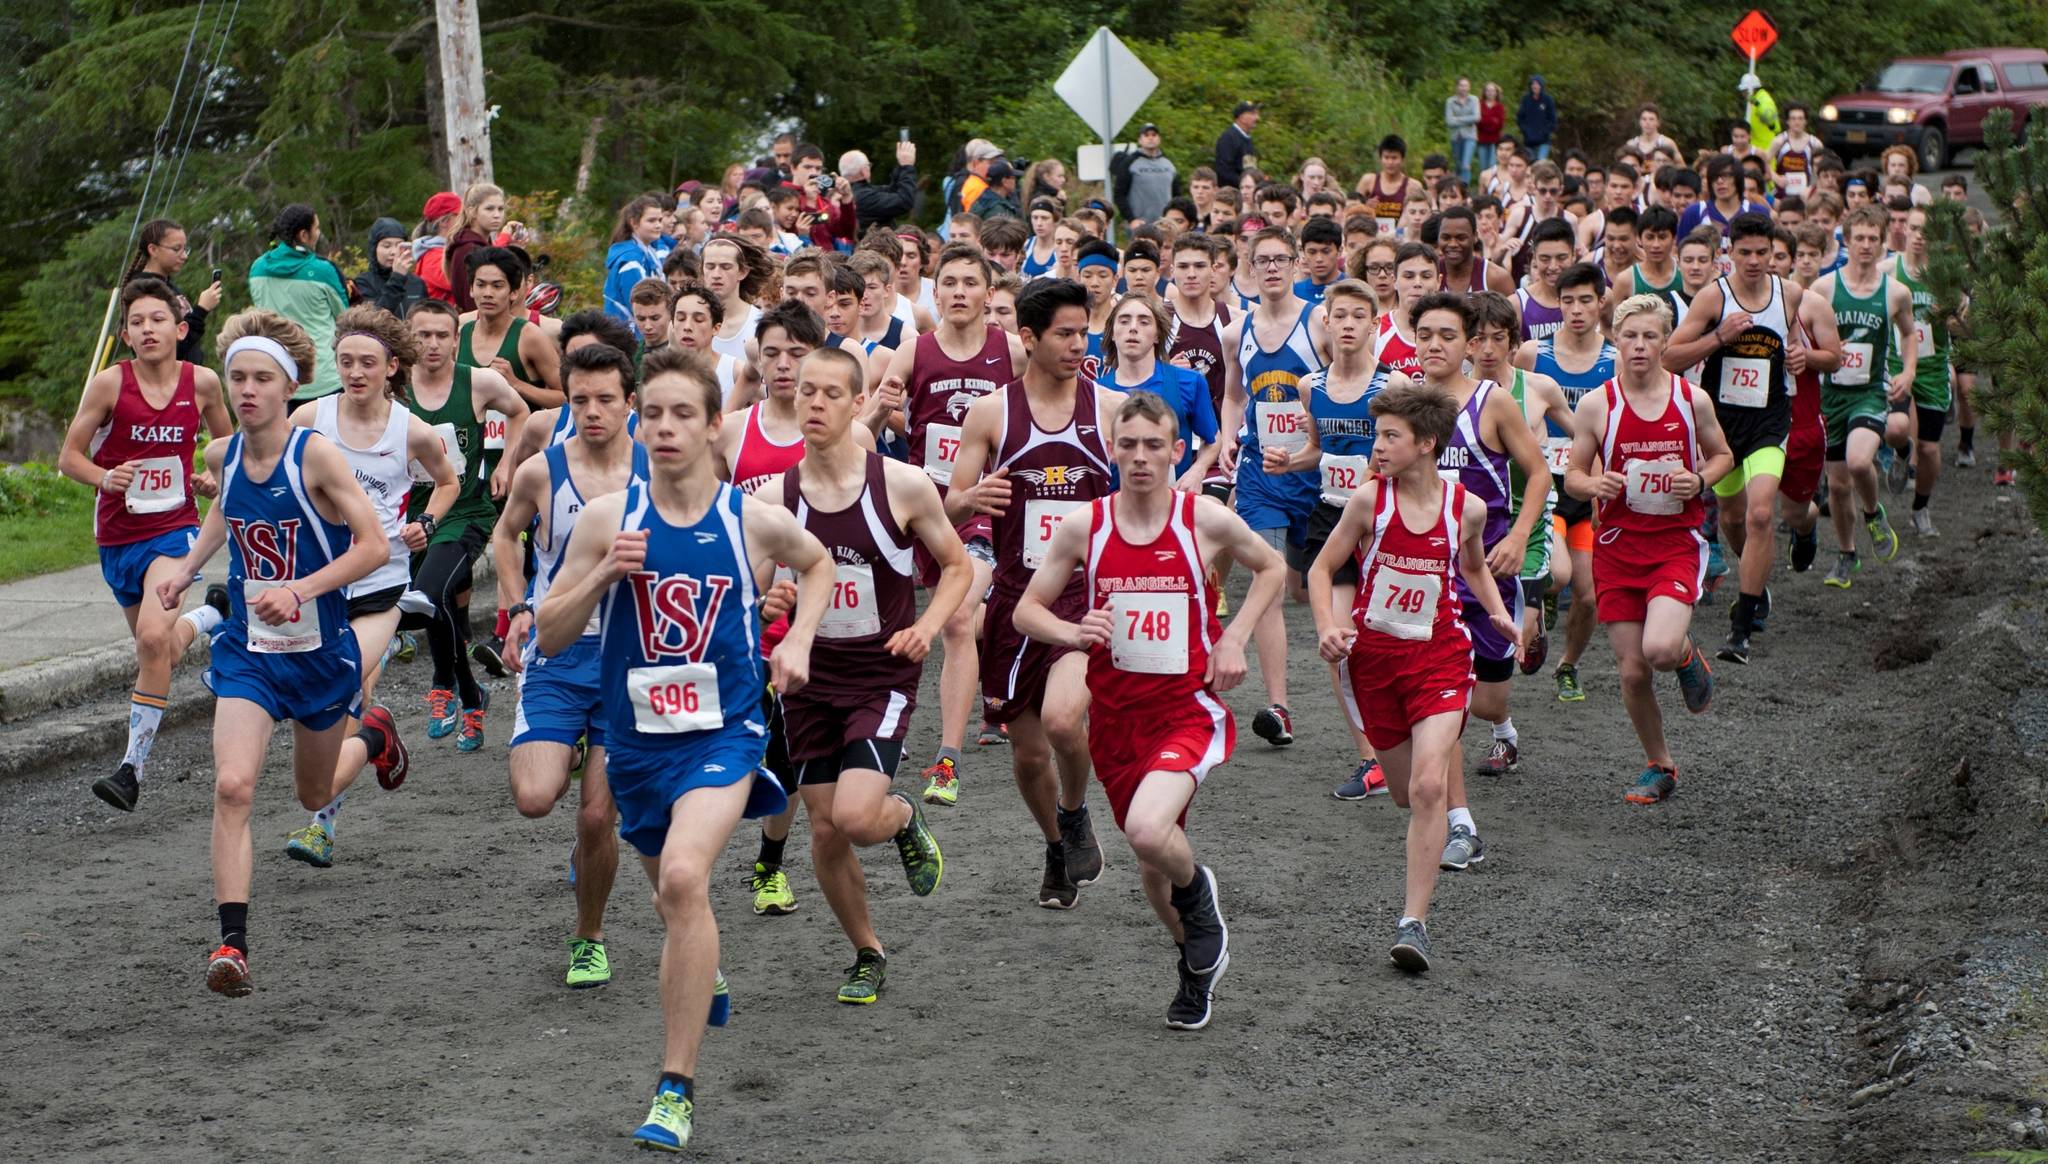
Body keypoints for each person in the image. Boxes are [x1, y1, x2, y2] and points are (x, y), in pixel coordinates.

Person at [534, 347, 832, 1152]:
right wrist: (601, 579)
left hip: (723, 733)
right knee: (676, 903)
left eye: (681, 415)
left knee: (681, 876)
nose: (663, 428)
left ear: (710, 428)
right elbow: (549, 633)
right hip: (633, 744)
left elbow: (820, 562)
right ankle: (704, 964)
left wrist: (799, 636)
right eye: (653, 415)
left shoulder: (752, 518)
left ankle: (675, 1088)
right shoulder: (608, 519)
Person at [1015, 390, 1280, 1026]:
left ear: (1177, 450)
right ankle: (1196, 966)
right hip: (1114, 721)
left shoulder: (1203, 520)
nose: (1140, 458)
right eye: (1128, 445)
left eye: (1153, 446)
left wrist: (1234, 637)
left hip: (1186, 712)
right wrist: (1074, 632)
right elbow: (1029, 609)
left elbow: (1270, 567)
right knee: (1150, 861)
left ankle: (1201, 895)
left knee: (1145, 834)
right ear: (1112, 449)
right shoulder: (1085, 525)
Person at [156, 309, 390, 996]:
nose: (248, 390)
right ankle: (232, 946)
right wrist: (187, 566)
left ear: (288, 386)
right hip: (250, 652)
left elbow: (374, 545)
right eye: (238, 378)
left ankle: (372, 736)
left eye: (263, 378)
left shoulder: (314, 454)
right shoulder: (222, 455)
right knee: (232, 786)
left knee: (311, 793)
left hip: (318, 652)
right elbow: (226, 514)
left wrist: (301, 588)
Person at [750, 346, 965, 1003]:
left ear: (855, 403)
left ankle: (901, 818)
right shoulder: (775, 497)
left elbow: (957, 567)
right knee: (822, 828)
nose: (813, 403)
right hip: (810, 678)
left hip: (882, 675)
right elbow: (753, 592)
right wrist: (771, 602)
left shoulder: (899, 485)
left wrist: (927, 629)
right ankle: (867, 951)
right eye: (804, 392)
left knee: (854, 814)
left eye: (829, 394)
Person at [1308, 378, 1518, 973]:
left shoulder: (1466, 507)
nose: (1377, 446)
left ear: (1425, 443)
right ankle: (1421, 850)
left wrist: (1500, 617)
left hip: (1442, 659)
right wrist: (1328, 625)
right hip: (1374, 663)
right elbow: (1322, 571)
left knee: (1430, 789)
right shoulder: (1368, 501)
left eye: (1389, 436)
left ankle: (1413, 923)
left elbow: (1474, 569)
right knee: (1405, 794)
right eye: (1377, 435)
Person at [944, 277, 1120, 909]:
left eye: (1084, 332)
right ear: (1028, 337)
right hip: (1018, 596)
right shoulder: (992, 412)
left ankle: (1074, 812)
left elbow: (1144, 496)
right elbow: (950, 504)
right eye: (1065, 334)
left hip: (1085, 597)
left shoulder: (1109, 411)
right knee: (1026, 755)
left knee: (1064, 719)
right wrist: (971, 499)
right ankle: (1055, 843)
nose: (1079, 345)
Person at [283, 305, 460, 866]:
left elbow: (450, 481)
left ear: (391, 367)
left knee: (347, 685)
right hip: (325, 576)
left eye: (367, 363)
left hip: (382, 580)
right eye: (345, 362)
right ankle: (377, 738)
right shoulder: (310, 418)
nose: (355, 372)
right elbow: (274, 471)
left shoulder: (413, 429)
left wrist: (427, 522)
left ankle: (320, 827)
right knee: (328, 696)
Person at [497, 343, 648, 989]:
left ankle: (589, 937)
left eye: (605, 400)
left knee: (595, 819)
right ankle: (578, 756)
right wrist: (516, 608)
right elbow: (507, 535)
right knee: (534, 798)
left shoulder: (657, 470)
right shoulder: (542, 471)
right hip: (558, 650)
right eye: (579, 399)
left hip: (630, 660)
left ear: (630, 403)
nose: (591, 411)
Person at [61, 276, 235, 811]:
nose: (147, 329)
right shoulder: (109, 385)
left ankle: (130, 768)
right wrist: (103, 477)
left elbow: (228, 449)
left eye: (157, 319)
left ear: (180, 328)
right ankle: (212, 618)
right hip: (117, 536)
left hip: (174, 529)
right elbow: (68, 459)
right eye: (136, 322)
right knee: (155, 646)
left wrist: (210, 480)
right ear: (127, 335)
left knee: (154, 643)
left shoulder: (202, 382)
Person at [1562, 294, 1732, 804]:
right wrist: (1595, 488)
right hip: (1616, 549)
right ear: (1615, 338)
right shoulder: (1597, 404)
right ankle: (1660, 765)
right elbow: (1570, 476)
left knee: (1658, 651)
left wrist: (1699, 478)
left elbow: (1723, 455)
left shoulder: (1690, 400)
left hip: (1673, 544)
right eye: (1630, 336)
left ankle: (1684, 656)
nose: (1639, 346)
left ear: (1665, 341)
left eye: (1651, 336)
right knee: (1632, 670)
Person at [878, 244, 1028, 804]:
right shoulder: (912, 351)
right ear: (933, 292)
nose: (960, 292)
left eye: (971, 282)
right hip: (922, 511)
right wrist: (886, 408)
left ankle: (948, 757)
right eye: (950, 283)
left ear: (989, 295)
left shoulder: (1009, 351)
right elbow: (875, 416)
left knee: (960, 619)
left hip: (985, 510)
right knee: (895, 622)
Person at [1664, 213, 1842, 663]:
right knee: (1732, 519)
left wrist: (1804, 357)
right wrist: (1717, 338)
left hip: (1770, 420)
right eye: (1744, 252)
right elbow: (1669, 357)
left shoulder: (1790, 294)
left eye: (1763, 252)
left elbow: (1809, 351)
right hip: (1721, 426)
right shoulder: (1712, 298)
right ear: (1730, 253)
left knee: (1762, 514)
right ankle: (1754, 582)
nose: (1754, 261)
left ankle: (1740, 630)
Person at [1259, 280, 1407, 797]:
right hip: (1331, 519)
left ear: (1374, 324)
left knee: (1393, 637)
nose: (1347, 324)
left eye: (1357, 316)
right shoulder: (1310, 386)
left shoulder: (1394, 387)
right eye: (1338, 315)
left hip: (1385, 522)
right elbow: (1317, 450)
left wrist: (1380, 474)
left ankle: (1408, 735)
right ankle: (1371, 759)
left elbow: (1411, 455)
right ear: (1325, 321)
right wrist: (1288, 461)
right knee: (1340, 644)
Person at [1215, 228, 1330, 749]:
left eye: (1282, 259)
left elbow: (1344, 385)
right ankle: (1279, 706)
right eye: (1262, 261)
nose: (1273, 268)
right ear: (1251, 266)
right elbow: (1235, 395)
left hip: (1322, 472)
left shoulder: (1320, 322)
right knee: (1273, 584)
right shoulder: (1236, 331)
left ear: (1297, 263)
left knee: (1313, 587)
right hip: (1263, 473)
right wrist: (1226, 440)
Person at [400, 299, 528, 745]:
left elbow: (520, 412)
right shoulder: (394, 388)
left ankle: (447, 688)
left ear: (458, 339)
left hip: (468, 512)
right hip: (412, 516)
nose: (432, 344)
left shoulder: (478, 382)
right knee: (432, 605)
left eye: (442, 335)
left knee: (427, 595)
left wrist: (506, 464)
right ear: (407, 336)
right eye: (422, 334)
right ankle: (472, 695)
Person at [1884, 205, 1954, 537]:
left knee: (1929, 449)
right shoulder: (1888, 270)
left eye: (1926, 230)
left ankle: (1920, 508)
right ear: (1905, 231)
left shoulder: (1946, 277)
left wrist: (1950, 315)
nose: (1918, 235)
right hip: (1897, 365)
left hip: (1933, 370)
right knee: (1897, 429)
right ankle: (1900, 454)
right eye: (1913, 228)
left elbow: (1968, 330)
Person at [1104, 293, 1218, 485]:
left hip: (1172, 502)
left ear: (1157, 335)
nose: (1133, 328)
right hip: (1114, 504)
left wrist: (1197, 470)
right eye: (1124, 321)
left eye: (1144, 322)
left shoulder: (1190, 382)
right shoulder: (1095, 391)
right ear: (1113, 333)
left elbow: (1213, 441)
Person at [249, 204, 349, 401]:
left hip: (278, 373)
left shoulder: (258, 268)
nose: (319, 233)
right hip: (323, 377)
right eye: (317, 228)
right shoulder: (324, 270)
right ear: (304, 235)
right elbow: (345, 318)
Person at [126, 218, 223, 365]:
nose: (184, 256)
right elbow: (168, 350)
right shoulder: (143, 290)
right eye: (176, 249)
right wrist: (201, 310)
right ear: (153, 250)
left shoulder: (167, 285)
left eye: (185, 249)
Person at [604, 195, 668, 327]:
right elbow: (640, 307)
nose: (658, 225)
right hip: (624, 333)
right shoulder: (630, 262)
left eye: (660, 220)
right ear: (634, 223)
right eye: (651, 221)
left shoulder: (647, 252)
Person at [445, 182, 507, 315]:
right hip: (477, 325)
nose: (497, 215)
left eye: (500, 209)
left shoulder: (482, 245)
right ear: (472, 211)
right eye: (489, 209)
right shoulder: (467, 249)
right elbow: (471, 301)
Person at [353, 217, 425, 320]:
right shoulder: (363, 283)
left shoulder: (417, 283)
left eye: (399, 245)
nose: (393, 252)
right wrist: (397, 279)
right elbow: (373, 320)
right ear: (374, 249)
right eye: (386, 246)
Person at [846, 141, 918, 230]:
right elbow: (904, 202)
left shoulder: (855, 193)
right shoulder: (864, 196)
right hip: (878, 243)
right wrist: (907, 167)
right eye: (869, 165)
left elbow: (893, 192)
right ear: (864, 170)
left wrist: (901, 166)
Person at [1214, 101, 1260, 191]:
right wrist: (1245, 184)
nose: (1257, 118)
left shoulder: (1247, 138)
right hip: (1231, 194)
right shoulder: (1229, 138)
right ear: (1241, 117)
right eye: (1253, 114)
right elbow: (1223, 171)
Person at [1445, 78, 1480, 182]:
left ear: (1469, 87)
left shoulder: (1474, 100)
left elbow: (1476, 117)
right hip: (1456, 136)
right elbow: (1449, 121)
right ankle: (1457, 188)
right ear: (1457, 87)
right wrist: (1467, 119)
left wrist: (1458, 119)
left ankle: (1465, 190)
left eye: (1466, 85)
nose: (1463, 88)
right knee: (1458, 165)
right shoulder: (1450, 101)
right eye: (1461, 85)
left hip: (1470, 136)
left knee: (1465, 164)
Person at [1516, 76, 1557, 162]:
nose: (1535, 86)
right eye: (1533, 84)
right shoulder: (1525, 100)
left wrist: (1546, 131)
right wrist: (1525, 130)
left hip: (1544, 140)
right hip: (1528, 140)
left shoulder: (1548, 100)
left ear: (1541, 86)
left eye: (1537, 84)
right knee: (1530, 164)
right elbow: (1520, 118)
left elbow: (1553, 119)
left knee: (1541, 163)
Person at [1475, 82, 1507, 178]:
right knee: (1483, 167)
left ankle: (1492, 189)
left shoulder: (1499, 107)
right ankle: (1483, 190)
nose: (1490, 93)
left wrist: (1486, 120)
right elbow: (1477, 122)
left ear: (1496, 93)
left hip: (1495, 140)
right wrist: (1492, 120)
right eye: (1488, 90)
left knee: (1493, 166)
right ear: (1484, 92)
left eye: (1492, 90)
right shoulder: (1479, 105)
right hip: (1482, 139)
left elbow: (1500, 124)